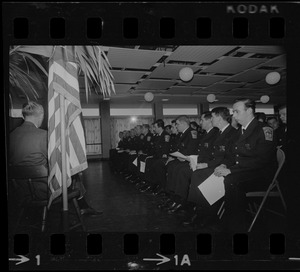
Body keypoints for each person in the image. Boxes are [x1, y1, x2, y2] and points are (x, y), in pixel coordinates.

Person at [9, 101, 102, 216]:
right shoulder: (44, 135)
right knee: (74, 174)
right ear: (41, 116)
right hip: (42, 190)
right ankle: (83, 207)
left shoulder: (11, 135)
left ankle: (83, 206)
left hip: (20, 190)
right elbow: (56, 161)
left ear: (24, 116)